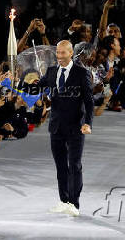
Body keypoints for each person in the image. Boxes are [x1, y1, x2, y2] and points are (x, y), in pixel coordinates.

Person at [37, 40, 94, 216]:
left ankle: (74, 204)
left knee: (74, 165)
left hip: (76, 127)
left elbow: (89, 101)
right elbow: (37, 87)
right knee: (61, 166)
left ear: (70, 53)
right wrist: (16, 81)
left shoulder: (81, 73)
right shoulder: (52, 71)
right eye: (58, 53)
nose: (59, 56)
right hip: (56, 127)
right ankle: (64, 200)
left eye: (63, 53)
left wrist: (87, 123)